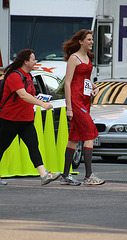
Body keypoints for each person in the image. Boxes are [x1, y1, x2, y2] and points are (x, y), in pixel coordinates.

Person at [0, 49, 61, 186]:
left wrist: (40, 99)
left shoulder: (29, 76)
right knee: (1, 147)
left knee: (33, 146)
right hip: (10, 119)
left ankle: (44, 175)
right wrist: (42, 104)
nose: (35, 62)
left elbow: (30, 95)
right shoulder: (15, 76)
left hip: (26, 119)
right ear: (25, 61)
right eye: (33, 59)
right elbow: (23, 95)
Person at [60, 29, 105, 186]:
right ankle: (89, 175)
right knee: (89, 134)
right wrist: (69, 107)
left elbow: (86, 78)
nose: (91, 42)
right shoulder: (74, 58)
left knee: (74, 137)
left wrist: (95, 87)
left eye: (92, 39)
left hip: (86, 100)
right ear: (81, 41)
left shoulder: (87, 57)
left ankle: (65, 175)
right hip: (76, 102)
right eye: (89, 39)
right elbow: (67, 82)